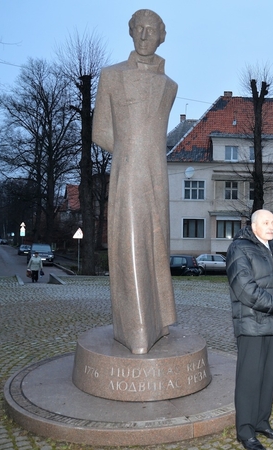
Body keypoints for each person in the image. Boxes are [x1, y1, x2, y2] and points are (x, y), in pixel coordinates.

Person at [92, 9, 178, 354]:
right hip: (128, 171)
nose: (145, 36)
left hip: (157, 173)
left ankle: (158, 322)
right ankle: (135, 329)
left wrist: (146, 155)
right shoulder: (111, 75)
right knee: (130, 244)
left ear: (161, 36)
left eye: (152, 30)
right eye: (139, 29)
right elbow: (101, 132)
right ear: (131, 33)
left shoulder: (169, 85)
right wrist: (132, 151)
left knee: (156, 246)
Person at [226, 209, 273, 450]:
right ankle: (245, 431)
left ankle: (261, 422)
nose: (271, 226)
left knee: (268, 378)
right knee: (249, 380)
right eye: (265, 222)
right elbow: (245, 289)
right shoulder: (239, 248)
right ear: (254, 226)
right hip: (251, 324)